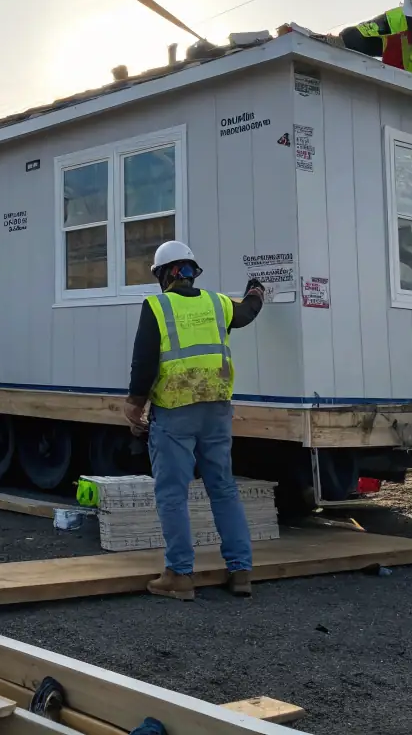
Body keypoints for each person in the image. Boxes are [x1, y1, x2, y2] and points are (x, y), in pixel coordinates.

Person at [124, 241, 264, 601]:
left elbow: (144, 362)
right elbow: (247, 313)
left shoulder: (157, 306)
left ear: (163, 275)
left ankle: (180, 575)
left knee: (173, 494)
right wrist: (256, 292)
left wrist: (134, 405)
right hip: (216, 409)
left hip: (174, 411)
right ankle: (241, 571)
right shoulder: (217, 303)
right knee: (223, 488)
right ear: (190, 272)